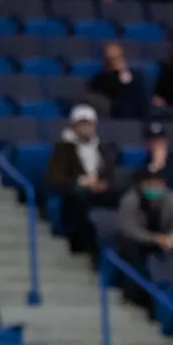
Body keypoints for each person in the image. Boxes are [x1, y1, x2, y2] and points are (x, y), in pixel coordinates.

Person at [47, 104, 118, 254]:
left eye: (89, 124)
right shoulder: (63, 148)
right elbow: (55, 177)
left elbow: (110, 173)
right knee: (79, 197)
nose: (86, 128)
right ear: (74, 125)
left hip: (99, 191)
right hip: (76, 192)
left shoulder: (102, 148)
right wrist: (81, 182)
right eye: (82, 124)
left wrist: (103, 183)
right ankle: (84, 244)